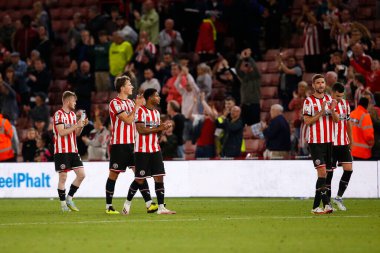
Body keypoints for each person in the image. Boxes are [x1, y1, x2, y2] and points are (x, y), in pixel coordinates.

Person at [106, 76, 158, 214]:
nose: (132, 87)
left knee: (140, 173)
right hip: (119, 144)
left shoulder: (130, 103)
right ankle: (109, 206)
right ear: (122, 87)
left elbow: (138, 119)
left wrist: (142, 105)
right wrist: (136, 106)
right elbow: (128, 120)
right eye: (129, 84)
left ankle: (149, 204)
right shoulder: (114, 103)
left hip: (133, 144)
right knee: (113, 175)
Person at [122, 88, 176, 215]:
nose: (159, 98)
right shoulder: (140, 111)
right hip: (142, 150)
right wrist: (159, 128)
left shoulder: (156, 113)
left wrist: (163, 129)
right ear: (150, 97)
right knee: (140, 179)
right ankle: (127, 203)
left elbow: (155, 131)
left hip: (155, 149)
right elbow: (141, 130)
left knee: (159, 177)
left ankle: (161, 207)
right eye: (157, 96)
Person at [302, 74, 338, 214]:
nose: (321, 85)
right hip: (316, 142)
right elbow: (307, 121)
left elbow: (335, 120)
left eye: (322, 82)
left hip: (329, 141)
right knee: (322, 172)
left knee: (325, 175)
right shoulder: (309, 101)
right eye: (318, 83)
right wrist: (322, 112)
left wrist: (333, 110)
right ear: (313, 85)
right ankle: (327, 204)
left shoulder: (330, 99)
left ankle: (317, 206)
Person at [53, 91, 88, 212]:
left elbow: (76, 133)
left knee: (81, 175)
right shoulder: (58, 114)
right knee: (63, 177)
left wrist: (81, 125)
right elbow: (61, 132)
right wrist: (75, 125)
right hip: (62, 150)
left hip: (73, 150)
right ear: (68, 101)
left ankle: (69, 198)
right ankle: (63, 205)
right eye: (74, 101)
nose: (75, 103)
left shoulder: (73, 115)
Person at [328, 82, 353, 211]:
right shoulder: (327, 104)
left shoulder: (345, 104)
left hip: (343, 142)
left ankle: (338, 197)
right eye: (337, 96)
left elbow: (348, 123)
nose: (339, 99)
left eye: (341, 96)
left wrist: (351, 141)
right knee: (329, 174)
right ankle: (327, 201)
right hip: (331, 144)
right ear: (332, 93)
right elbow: (334, 121)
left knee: (348, 169)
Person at [235, 48, 261, 125]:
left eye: (248, 66)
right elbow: (237, 69)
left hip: (254, 104)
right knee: (243, 124)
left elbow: (255, 67)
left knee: (255, 125)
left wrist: (249, 58)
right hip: (244, 104)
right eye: (245, 66)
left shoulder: (256, 76)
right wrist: (241, 59)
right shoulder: (244, 77)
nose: (247, 67)